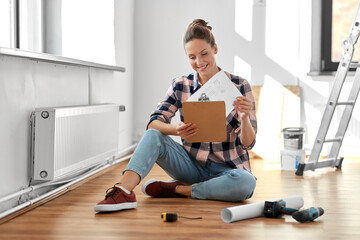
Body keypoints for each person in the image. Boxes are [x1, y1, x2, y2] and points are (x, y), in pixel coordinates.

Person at [94, 19, 257, 212]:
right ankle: (124, 191)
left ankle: (179, 189)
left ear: (215, 49)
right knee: (153, 136)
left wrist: (245, 118)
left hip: (228, 170)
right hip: (191, 167)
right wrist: (176, 130)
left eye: (204, 54)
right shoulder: (180, 85)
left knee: (246, 184)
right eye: (192, 57)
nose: (199, 62)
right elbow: (153, 124)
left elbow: (248, 144)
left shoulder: (240, 85)